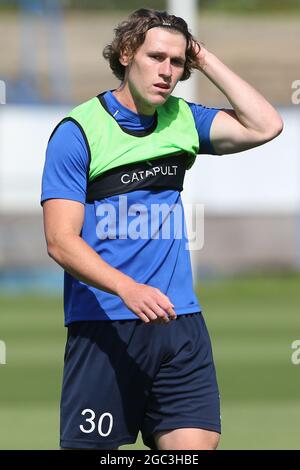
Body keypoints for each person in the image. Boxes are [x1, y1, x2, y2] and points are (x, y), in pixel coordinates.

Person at [41, 8, 283, 450]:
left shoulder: (183, 119)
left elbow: (266, 125)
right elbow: (60, 241)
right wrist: (127, 288)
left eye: (177, 62)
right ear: (127, 53)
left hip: (179, 321)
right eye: (156, 57)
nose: (167, 71)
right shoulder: (78, 132)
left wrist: (204, 58)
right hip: (106, 323)